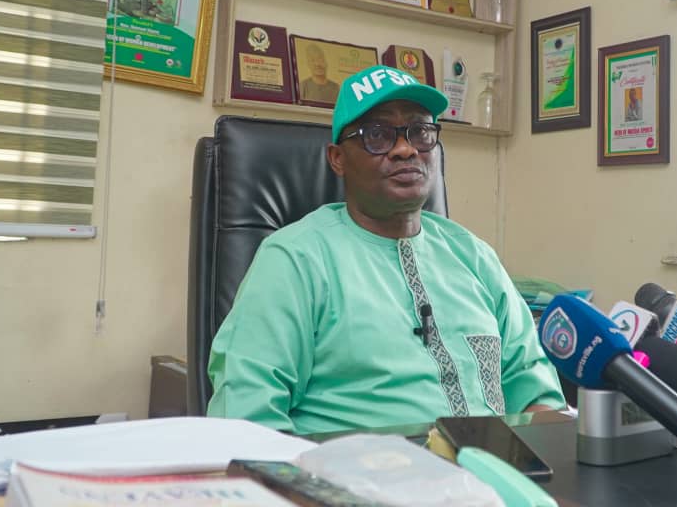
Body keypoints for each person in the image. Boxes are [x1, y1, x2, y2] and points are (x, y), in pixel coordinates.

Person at [207, 65, 566, 434]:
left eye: (420, 132)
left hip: (491, 466)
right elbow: (245, 417)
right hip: (351, 468)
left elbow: (538, 394)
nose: (406, 149)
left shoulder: (473, 256)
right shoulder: (295, 260)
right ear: (337, 159)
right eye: (377, 135)